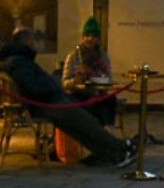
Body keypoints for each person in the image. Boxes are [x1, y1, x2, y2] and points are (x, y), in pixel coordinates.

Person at [0, 27, 134, 167]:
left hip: (50, 101)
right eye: (34, 40)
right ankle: (122, 147)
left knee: (85, 121)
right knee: (85, 123)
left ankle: (111, 153)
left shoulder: (19, 60)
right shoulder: (18, 62)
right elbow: (31, 89)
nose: (36, 43)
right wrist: (53, 88)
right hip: (48, 103)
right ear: (27, 41)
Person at [62, 17, 116, 127]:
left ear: (98, 39)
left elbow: (109, 79)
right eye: (87, 36)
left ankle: (107, 131)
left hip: (98, 93)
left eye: (94, 36)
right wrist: (76, 81)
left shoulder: (103, 56)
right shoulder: (73, 56)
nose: (90, 39)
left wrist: (94, 79)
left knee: (111, 100)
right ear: (82, 38)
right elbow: (65, 84)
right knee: (94, 106)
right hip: (79, 95)